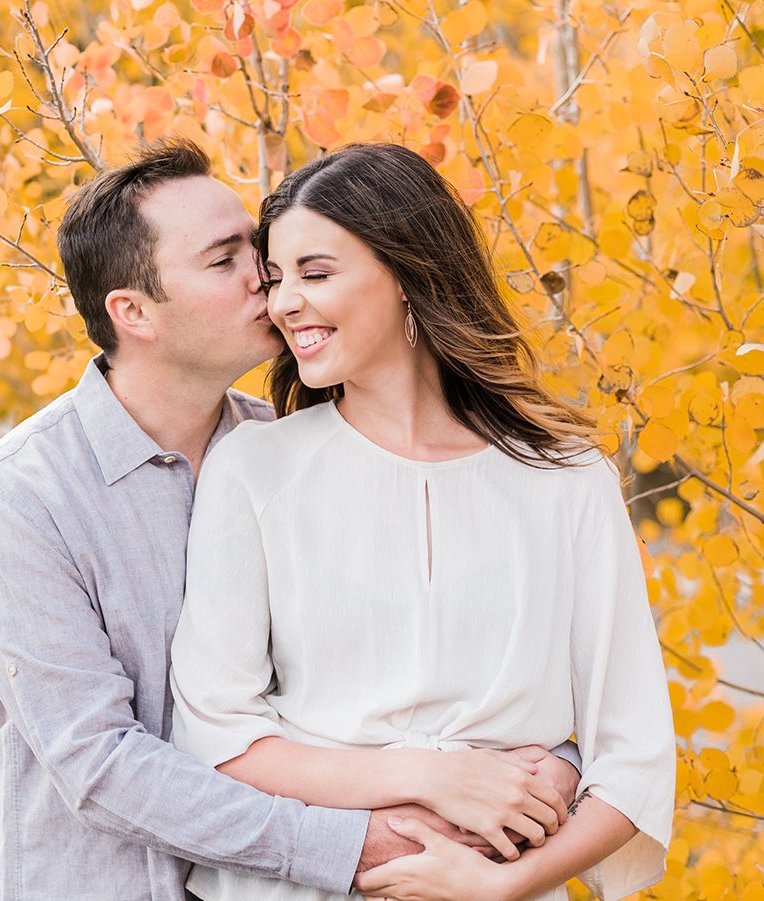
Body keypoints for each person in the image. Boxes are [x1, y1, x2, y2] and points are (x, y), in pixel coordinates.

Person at [0, 138, 582, 901]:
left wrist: (551, 762)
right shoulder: (27, 495)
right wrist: (360, 846)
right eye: (224, 261)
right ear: (134, 312)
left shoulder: (290, 454)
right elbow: (101, 764)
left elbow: (414, 664)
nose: (267, 276)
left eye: (256, 246)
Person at [168, 142, 675, 901]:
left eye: (316, 273)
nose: (283, 303)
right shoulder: (252, 468)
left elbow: (632, 755)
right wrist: (434, 776)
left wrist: (505, 884)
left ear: (408, 274)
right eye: (278, 281)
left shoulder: (566, 478)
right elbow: (218, 734)